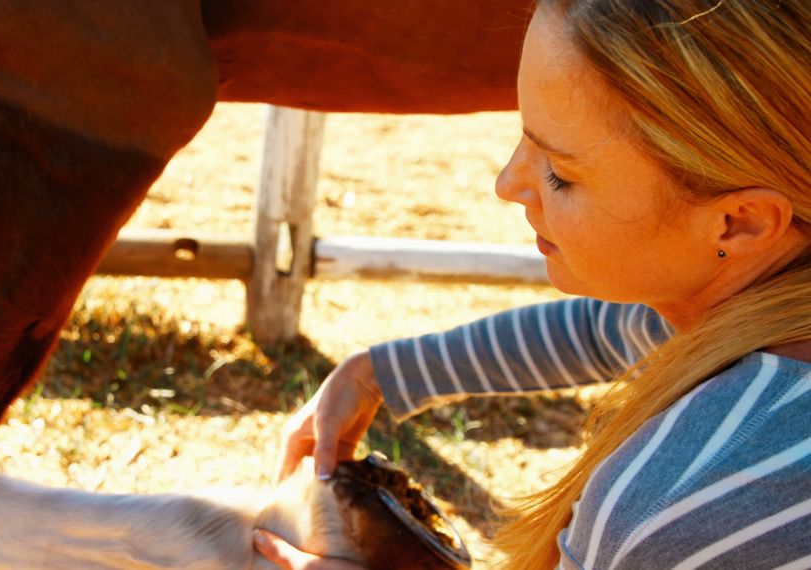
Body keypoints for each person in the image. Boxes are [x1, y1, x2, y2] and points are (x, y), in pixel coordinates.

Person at [253, 0, 811, 568]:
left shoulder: (680, 511)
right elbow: (607, 332)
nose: (506, 183)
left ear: (739, 222)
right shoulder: (741, 312)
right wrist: (379, 374)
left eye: (560, 173)